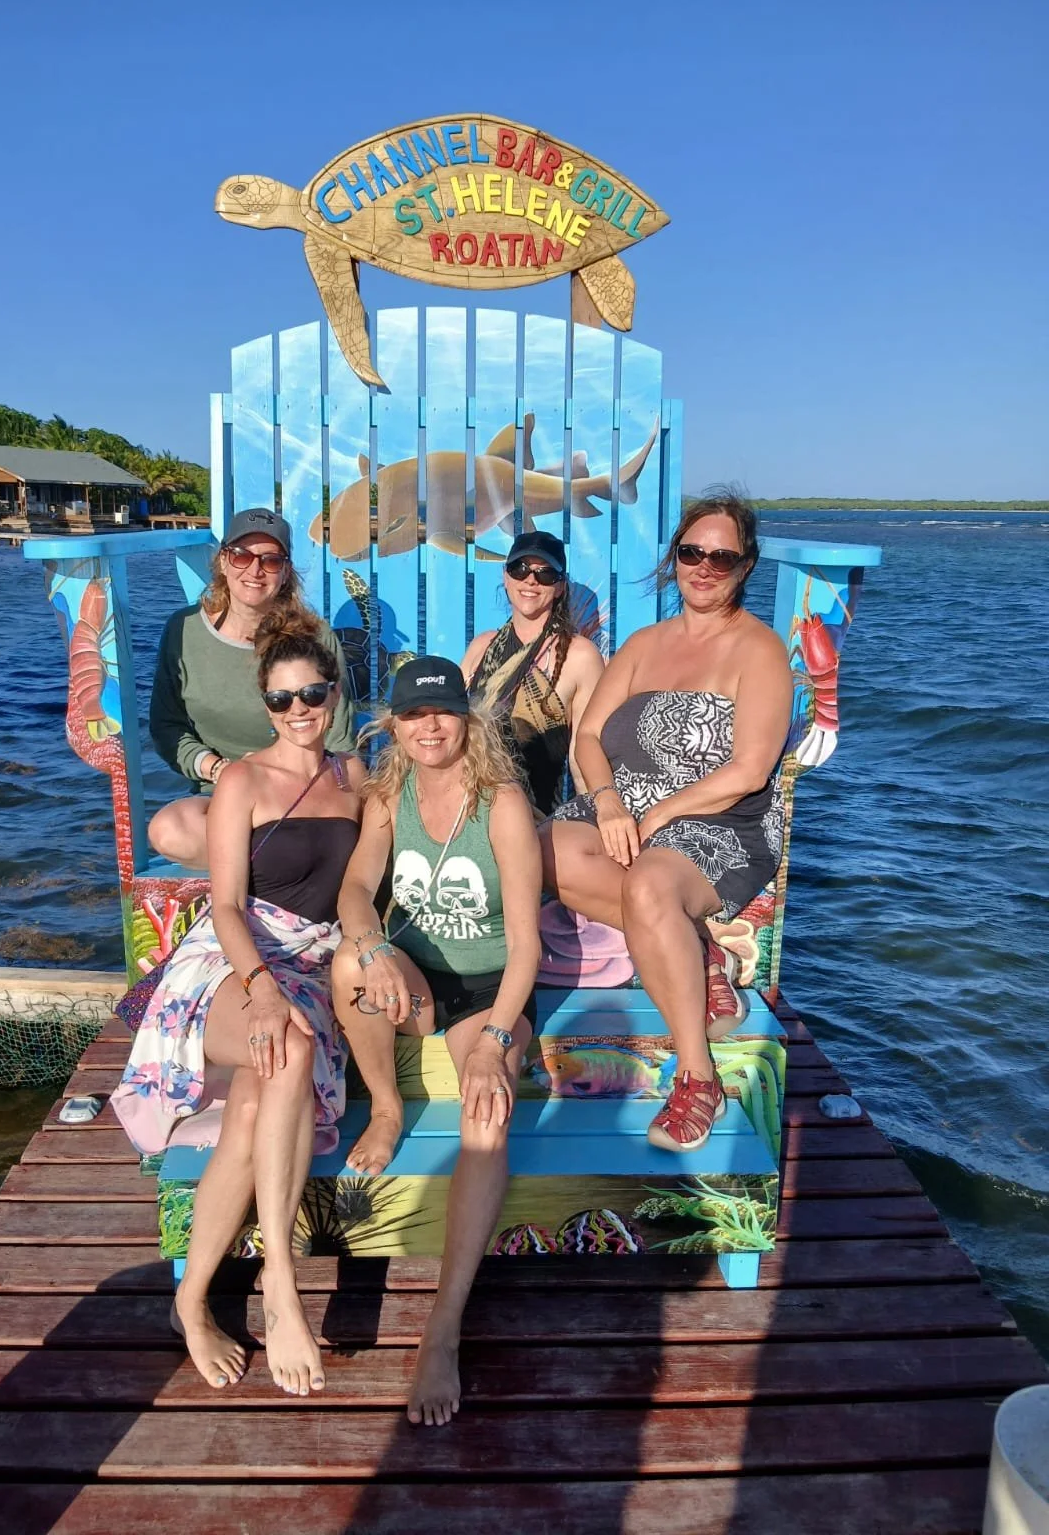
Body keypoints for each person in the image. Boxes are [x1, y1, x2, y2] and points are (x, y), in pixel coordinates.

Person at [113, 626, 365, 1396]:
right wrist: (259, 988)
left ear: (334, 694)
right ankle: (282, 1287)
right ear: (265, 704)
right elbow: (223, 904)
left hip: (315, 961)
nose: (298, 709)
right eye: (281, 698)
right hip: (238, 957)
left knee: (261, 1095)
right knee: (281, 1047)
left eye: (311, 694)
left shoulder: (357, 776)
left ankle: (190, 1301)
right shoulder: (244, 783)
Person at [541, 490, 792, 1153]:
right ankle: (697, 954)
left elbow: (750, 771)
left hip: (719, 820)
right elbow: (590, 736)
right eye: (692, 552)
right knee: (532, 849)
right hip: (627, 805)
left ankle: (697, 1075)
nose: (704, 566)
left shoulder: (759, 650)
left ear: (745, 565)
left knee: (651, 885)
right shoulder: (645, 644)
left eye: (722, 556)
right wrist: (609, 802)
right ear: (675, 557)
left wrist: (656, 816)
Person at [332, 658, 541, 1427]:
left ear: (467, 719)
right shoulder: (389, 792)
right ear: (392, 725)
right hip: (417, 974)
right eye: (413, 717)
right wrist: (372, 942)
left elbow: (528, 950)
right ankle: (387, 1108)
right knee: (348, 964)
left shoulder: (503, 803)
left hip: (490, 992)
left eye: (443, 715)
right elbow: (357, 886)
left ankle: (443, 1329)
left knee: (485, 1114)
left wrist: (492, 1039)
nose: (429, 728)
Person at [148, 507, 357, 867]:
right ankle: (282, 866)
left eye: (270, 560)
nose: (254, 570)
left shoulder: (316, 638)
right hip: (221, 791)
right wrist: (219, 769)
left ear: (286, 571)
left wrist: (274, 775)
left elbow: (339, 740)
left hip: (301, 795)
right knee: (169, 831)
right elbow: (166, 727)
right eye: (241, 555)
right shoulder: (182, 631)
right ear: (223, 562)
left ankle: (264, 871)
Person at [461, 531, 605, 817]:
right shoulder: (481, 646)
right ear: (506, 576)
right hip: (468, 808)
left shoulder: (580, 656)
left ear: (560, 587)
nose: (531, 580)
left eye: (545, 574)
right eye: (520, 569)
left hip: (533, 818)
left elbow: (584, 751)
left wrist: (592, 819)